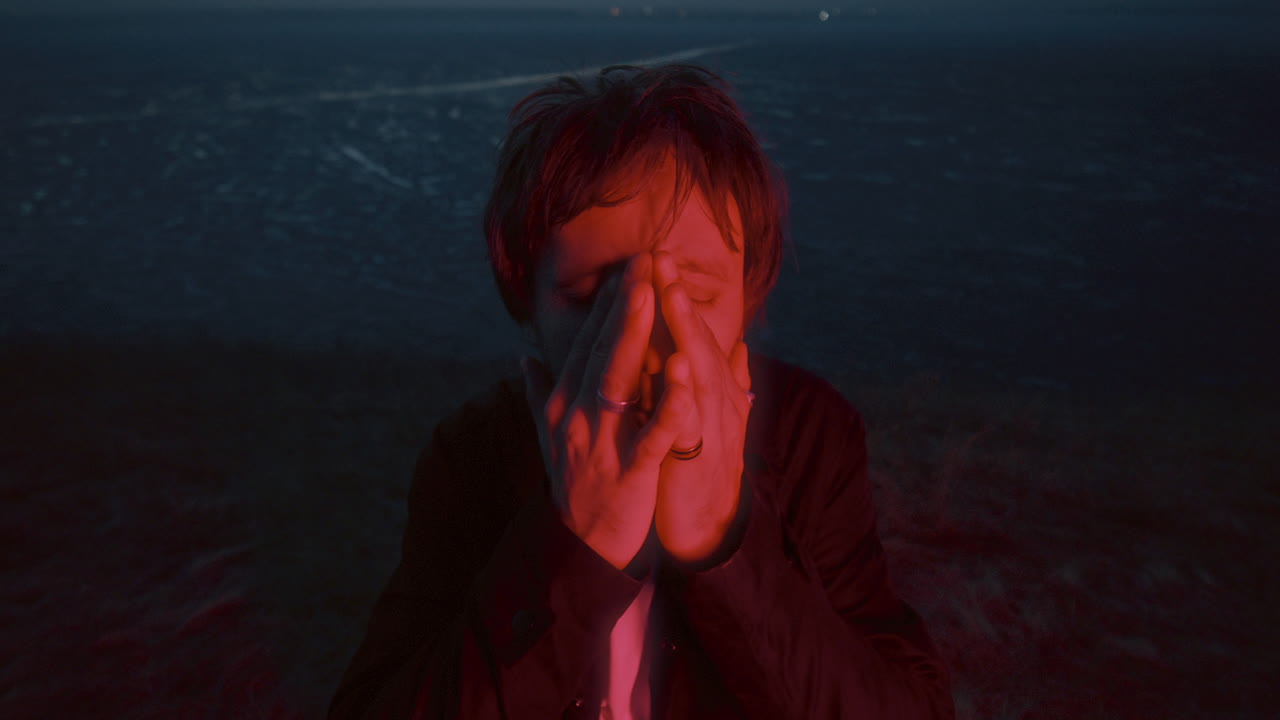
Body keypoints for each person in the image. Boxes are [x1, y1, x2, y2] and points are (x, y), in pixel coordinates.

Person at [328, 63, 954, 719]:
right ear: (526, 301)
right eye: (592, 299)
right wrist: (576, 546)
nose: (647, 338)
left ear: (749, 296)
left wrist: (723, 546)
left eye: (696, 296)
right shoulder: (472, 458)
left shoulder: (809, 437)